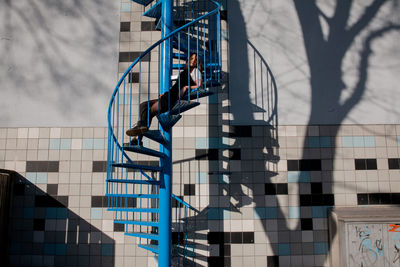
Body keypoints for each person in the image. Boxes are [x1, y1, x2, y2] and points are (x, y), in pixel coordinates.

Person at [126, 53, 203, 143]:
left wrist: (186, 87)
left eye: (196, 59)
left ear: (198, 62)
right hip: (169, 95)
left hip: (172, 98)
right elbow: (176, 87)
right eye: (192, 58)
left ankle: (138, 138)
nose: (193, 60)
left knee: (149, 112)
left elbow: (199, 85)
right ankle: (139, 136)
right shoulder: (187, 71)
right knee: (143, 105)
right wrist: (165, 93)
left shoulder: (196, 71)